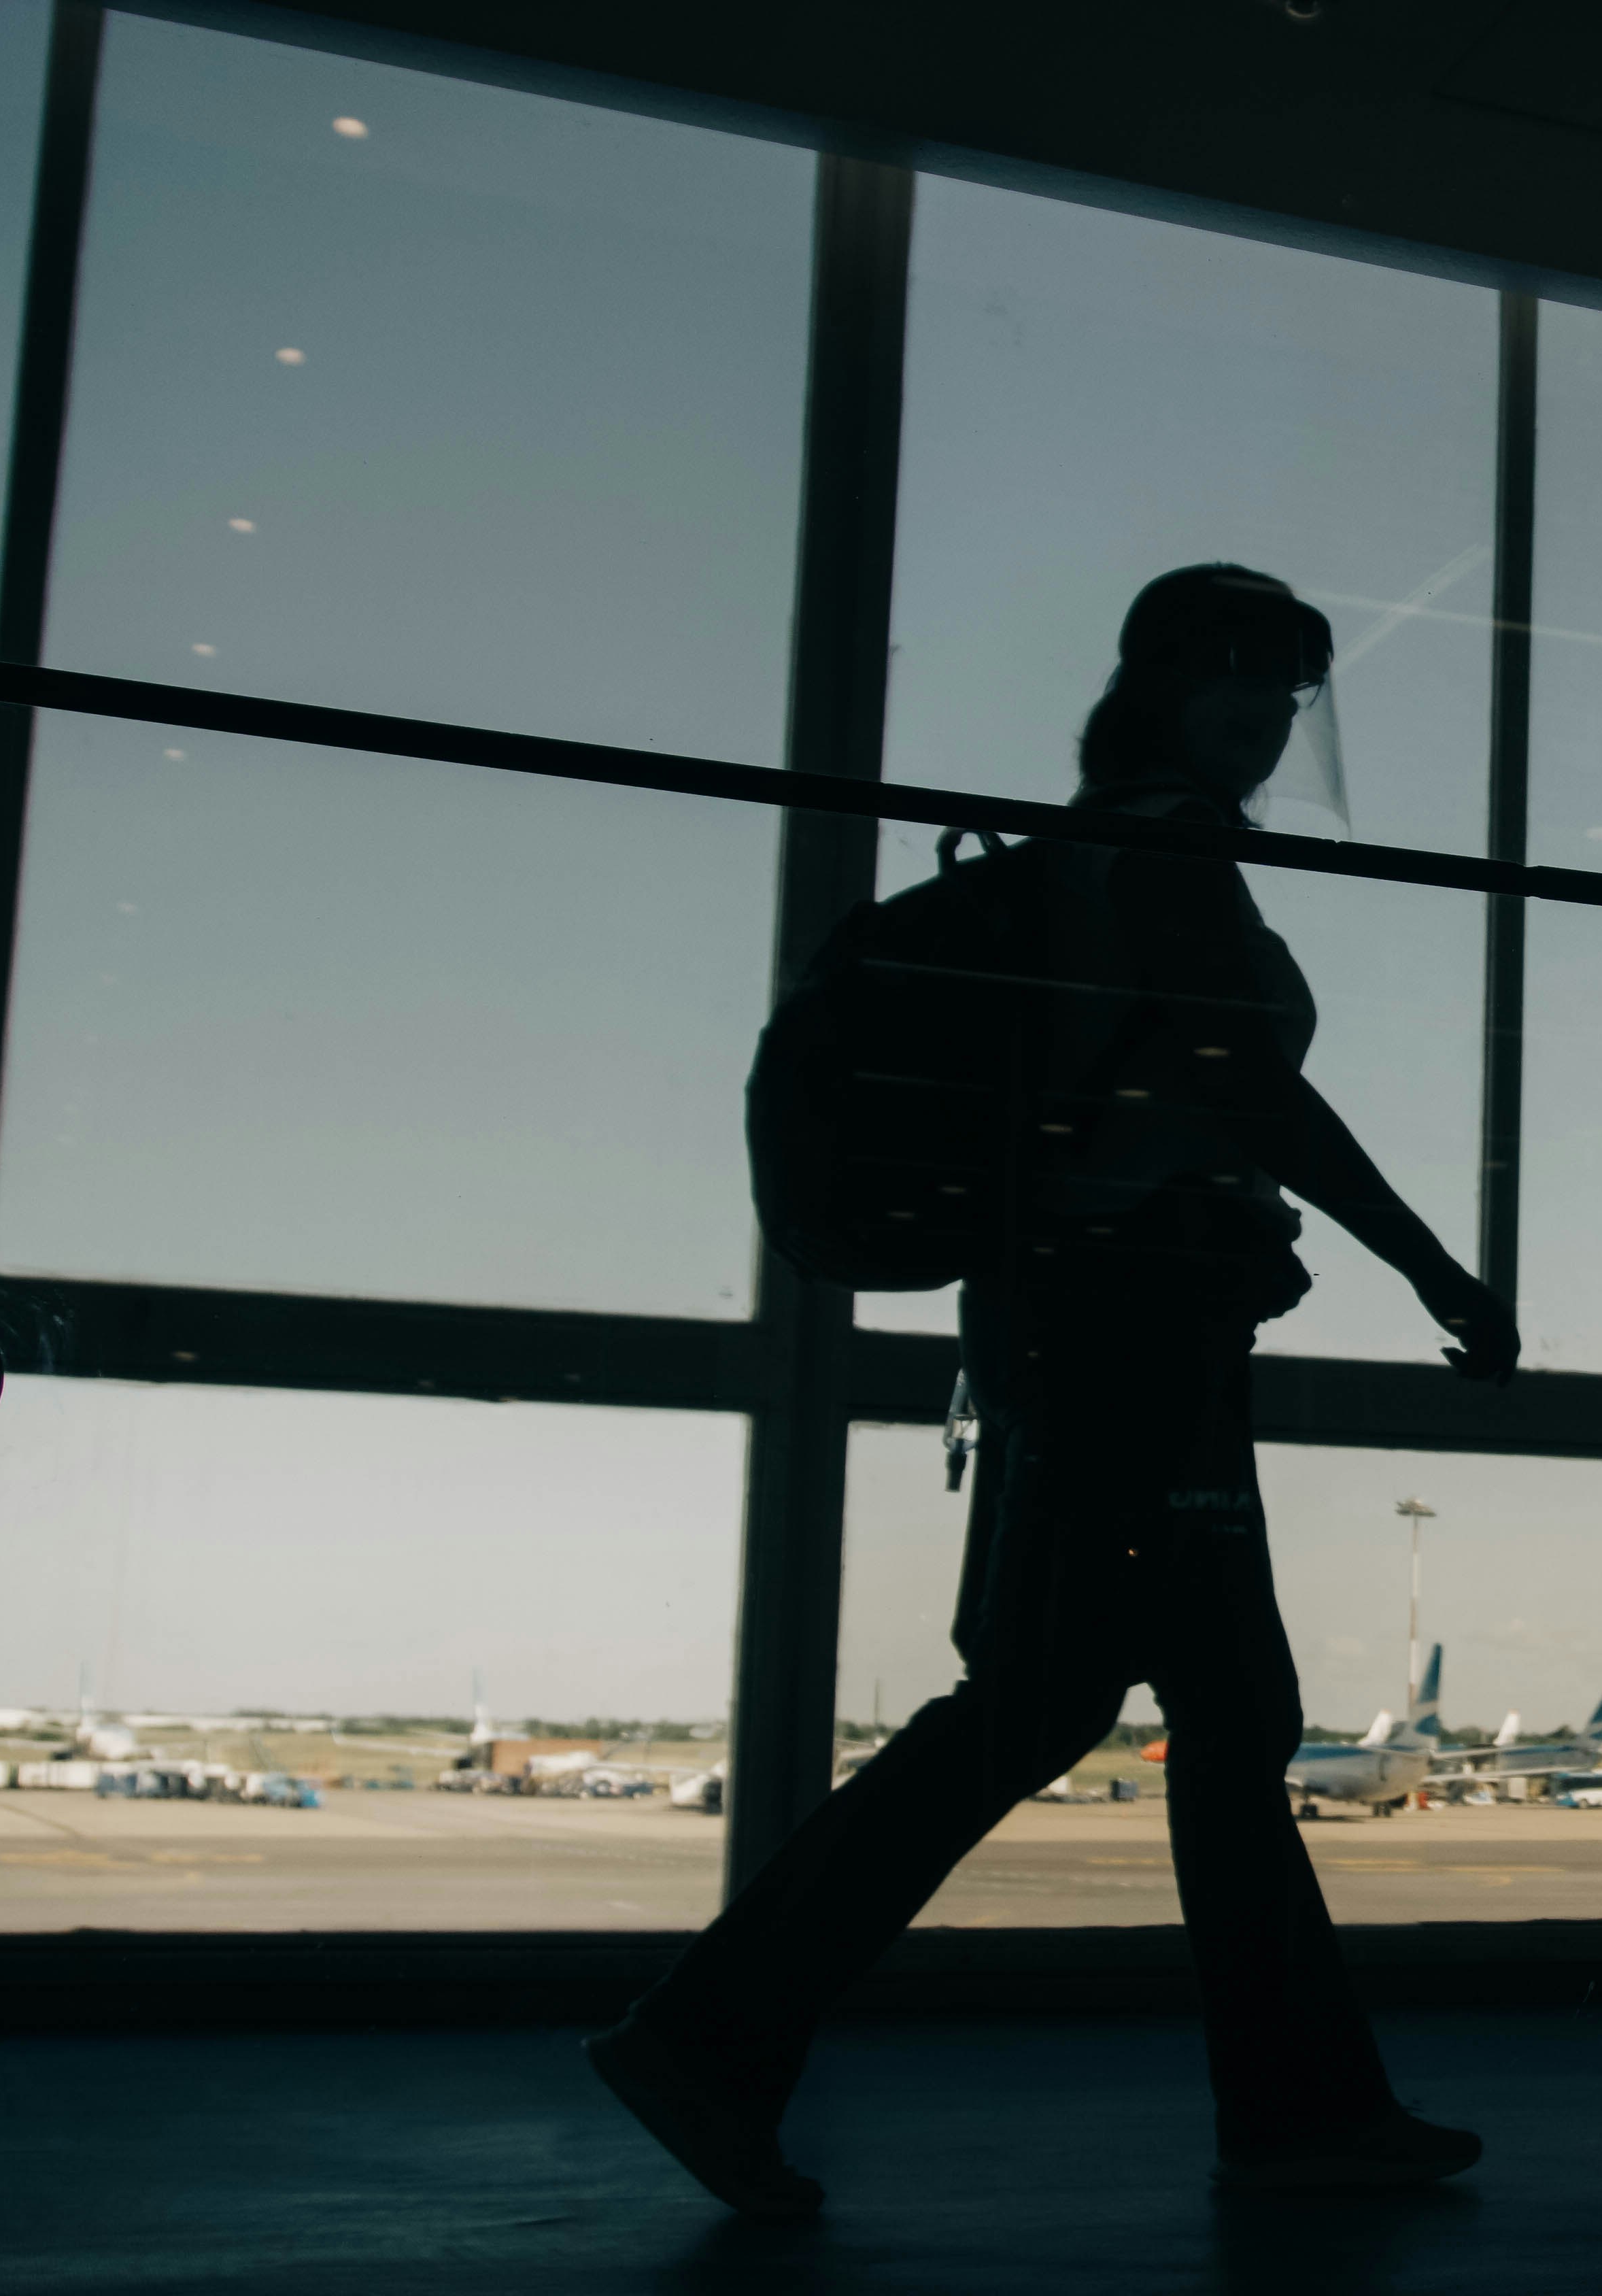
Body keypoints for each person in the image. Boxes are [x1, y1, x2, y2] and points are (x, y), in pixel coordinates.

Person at [586, 564, 1518, 2212]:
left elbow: (1175, 1106)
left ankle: (724, 2037)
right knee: (1176, 1712)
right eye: (1235, 671)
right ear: (1163, 684)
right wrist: (1434, 1266)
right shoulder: (1159, 854)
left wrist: (1227, 1227)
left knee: (1107, 1704)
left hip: (1092, 1326)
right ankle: (721, 2036)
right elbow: (1246, 1085)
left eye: (1288, 685)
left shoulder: (1103, 858)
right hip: (1125, 1341)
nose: (1264, 709)